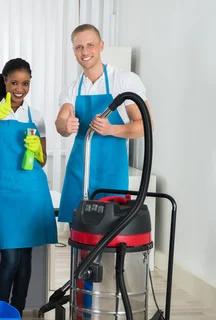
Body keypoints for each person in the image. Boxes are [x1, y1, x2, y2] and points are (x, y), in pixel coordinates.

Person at [0, 58, 57, 320]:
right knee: (10, 257)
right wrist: (1, 112)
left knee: (25, 259)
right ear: (5, 81)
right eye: (14, 82)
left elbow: (44, 159)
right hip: (6, 191)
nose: (20, 88)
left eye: (25, 83)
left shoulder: (35, 116)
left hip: (32, 190)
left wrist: (37, 149)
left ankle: (16, 314)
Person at [57, 24, 152, 223]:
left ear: (101, 46)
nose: (85, 52)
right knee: (78, 233)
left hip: (111, 173)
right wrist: (65, 126)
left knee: (109, 232)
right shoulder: (72, 89)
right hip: (78, 172)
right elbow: (61, 120)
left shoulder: (124, 81)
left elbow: (145, 125)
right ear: (74, 50)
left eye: (90, 45)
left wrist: (111, 129)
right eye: (79, 47)